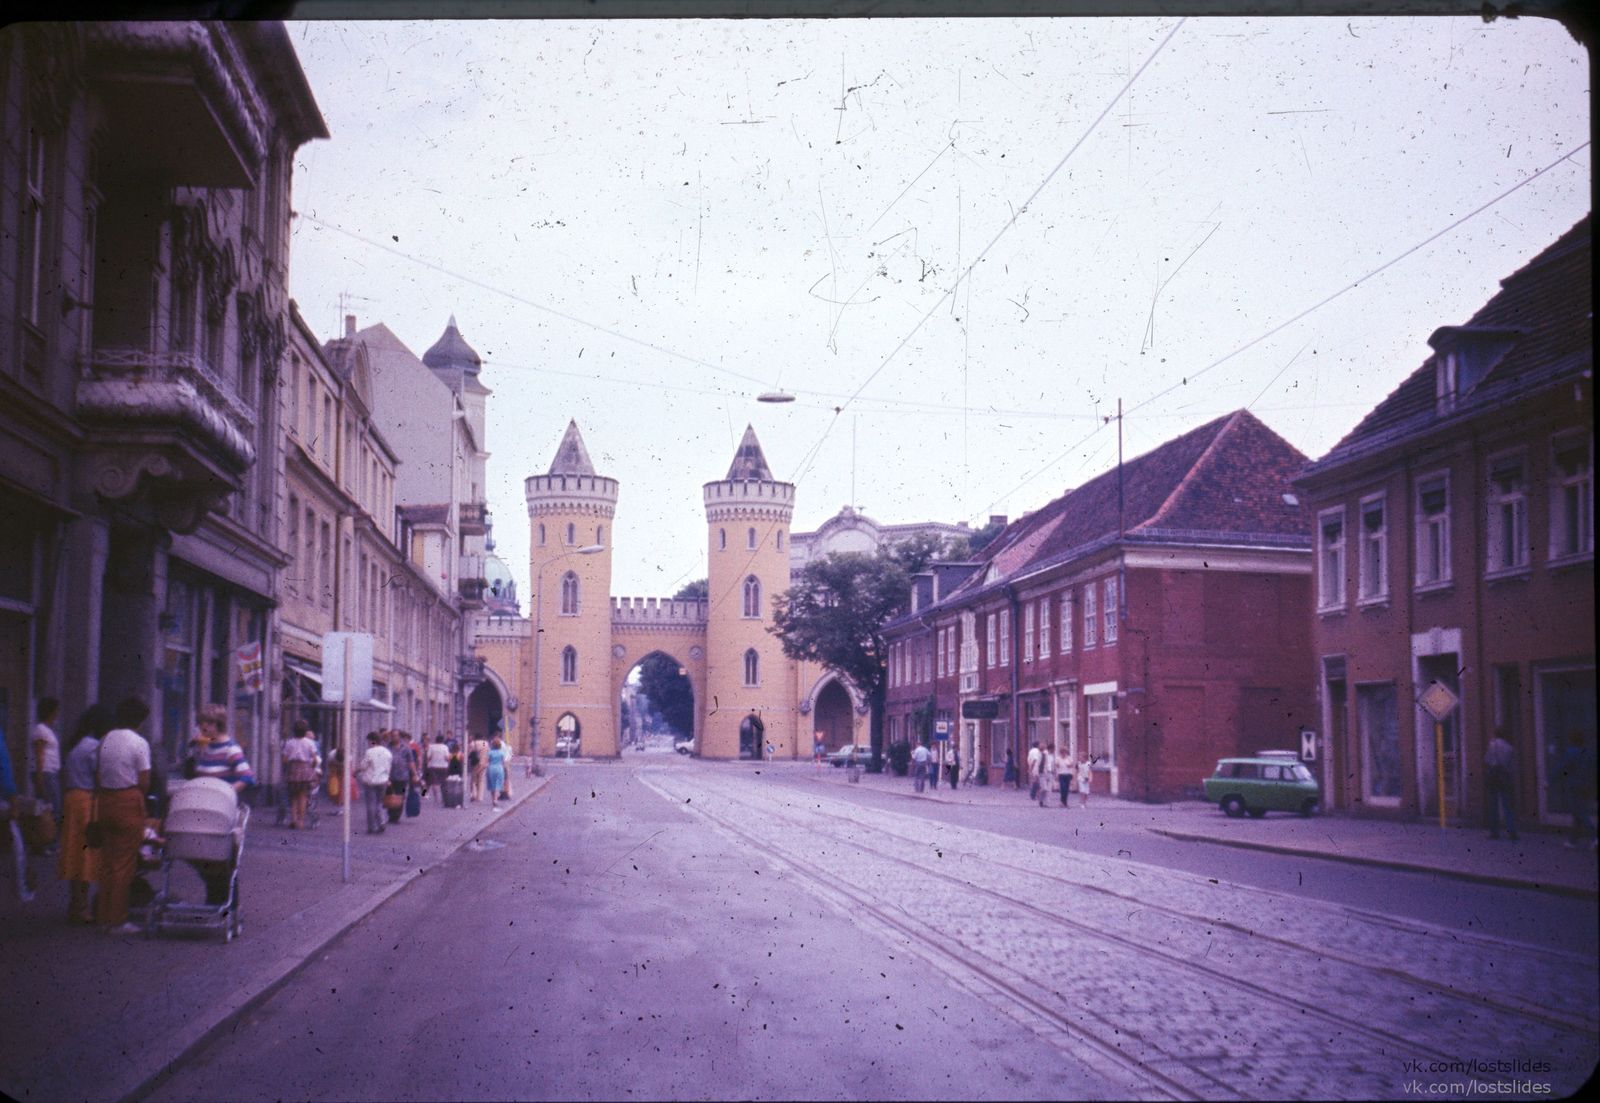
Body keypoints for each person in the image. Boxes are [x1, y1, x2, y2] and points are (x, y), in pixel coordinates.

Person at [95, 697, 152, 933]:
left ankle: (103, 916)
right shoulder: (139, 742)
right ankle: (117, 920)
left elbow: (98, 774)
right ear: (140, 720)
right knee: (124, 864)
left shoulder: (105, 739)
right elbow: (145, 781)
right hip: (128, 800)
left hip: (106, 800)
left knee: (108, 862)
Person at [59, 704, 113, 923]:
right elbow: (101, 779)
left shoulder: (78, 744)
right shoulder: (94, 747)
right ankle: (81, 908)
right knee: (87, 856)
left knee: (74, 854)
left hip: (72, 801)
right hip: (87, 803)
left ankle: (76, 904)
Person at [1557, 730, 1597, 850]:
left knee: (1580, 812)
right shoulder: (1588, 753)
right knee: (1577, 813)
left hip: (1574, 786)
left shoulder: (1570, 752)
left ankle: (1595, 837)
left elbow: (1561, 768)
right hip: (1587, 786)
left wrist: (1550, 780)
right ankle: (1573, 841)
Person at [281, 719, 321, 830]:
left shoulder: (289, 742)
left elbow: (284, 759)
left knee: (293, 796)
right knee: (303, 796)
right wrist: (311, 767)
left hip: (293, 769)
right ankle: (301, 821)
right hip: (305, 769)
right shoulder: (309, 743)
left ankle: (293, 819)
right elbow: (315, 759)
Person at [31, 696, 62, 825]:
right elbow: (39, 754)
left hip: (50, 772)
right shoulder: (41, 730)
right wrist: (40, 780)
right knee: (53, 808)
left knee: (53, 807)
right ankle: (50, 842)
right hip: (45, 772)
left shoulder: (48, 730)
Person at [1483, 729, 1518, 842]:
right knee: (1508, 806)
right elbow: (1512, 766)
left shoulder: (1492, 745)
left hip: (1494, 778)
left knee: (1493, 806)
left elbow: (1487, 760)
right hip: (1505, 778)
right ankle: (1511, 830)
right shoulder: (1510, 747)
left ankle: (1494, 831)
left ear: (1495, 734)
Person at [359, 732, 392, 834]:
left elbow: (363, 766)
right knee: (379, 803)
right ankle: (381, 821)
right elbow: (388, 767)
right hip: (383, 780)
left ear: (372, 741)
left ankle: (371, 826)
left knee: (371, 804)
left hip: (370, 781)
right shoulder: (387, 752)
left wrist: (358, 770)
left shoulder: (369, 752)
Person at [425, 735, 451, 804]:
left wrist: (427, 765)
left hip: (433, 766)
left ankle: (436, 798)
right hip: (443, 766)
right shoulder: (445, 747)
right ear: (443, 740)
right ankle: (443, 798)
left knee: (434, 782)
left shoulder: (431, 747)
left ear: (436, 740)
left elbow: (428, 757)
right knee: (443, 783)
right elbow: (447, 758)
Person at [485, 737, 509, 810]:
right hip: (499, 768)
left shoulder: (490, 752)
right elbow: (504, 762)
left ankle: (493, 799)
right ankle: (495, 799)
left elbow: (487, 761)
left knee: (492, 784)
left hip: (491, 768)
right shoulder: (501, 753)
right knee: (498, 784)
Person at [468, 736, 489, 803]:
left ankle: (473, 794)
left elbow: (469, 754)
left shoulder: (473, 743)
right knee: (481, 780)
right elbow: (487, 753)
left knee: (473, 779)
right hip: (483, 763)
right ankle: (480, 797)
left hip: (475, 763)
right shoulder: (485, 743)